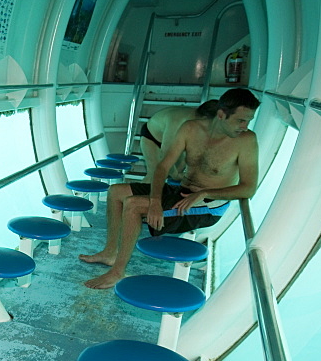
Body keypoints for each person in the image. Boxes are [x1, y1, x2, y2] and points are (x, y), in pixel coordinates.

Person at [80, 88, 261, 289]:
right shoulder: (191, 129)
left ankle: (117, 272)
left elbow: (248, 188)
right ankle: (110, 253)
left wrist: (204, 193)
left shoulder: (246, 141)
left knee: (133, 205)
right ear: (221, 114)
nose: (245, 126)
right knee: (116, 191)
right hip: (180, 192)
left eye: (248, 121)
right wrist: (156, 201)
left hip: (208, 205)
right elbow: (163, 166)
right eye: (241, 120)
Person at [138, 106, 197, 182]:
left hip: (173, 142)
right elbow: (165, 152)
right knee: (154, 175)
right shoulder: (178, 120)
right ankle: (139, 193)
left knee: (177, 172)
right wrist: (175, 175)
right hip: (151, 137)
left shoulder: (202, 121)